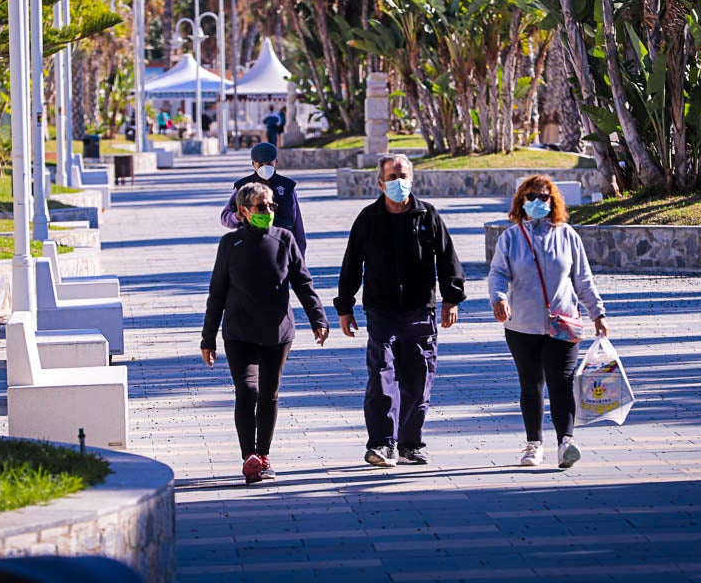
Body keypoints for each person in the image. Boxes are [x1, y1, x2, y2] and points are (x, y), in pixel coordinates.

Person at [335, 153, 466, 467]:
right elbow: (351, 264)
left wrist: (451, 299)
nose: (398, 182)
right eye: (392, 177)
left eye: (403, 175)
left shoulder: (428, 215)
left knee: (418, 380)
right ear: (380, 183)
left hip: (421, 312)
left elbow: (448, 260)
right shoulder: (368, 218)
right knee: (382, 377)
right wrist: (345, 306)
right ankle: (381, 444)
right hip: (381, 312)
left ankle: (410, 443)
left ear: (412, 179)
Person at [202, 182, 330, 484]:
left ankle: (264, 454)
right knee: (247, 391)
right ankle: (249, 457)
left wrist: (318, 319)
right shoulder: (229, 245)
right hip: (239, 332)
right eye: (262, 207)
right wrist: (208, 337)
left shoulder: (284, 239)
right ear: (243, 211)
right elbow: (217, 293)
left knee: (269, 394)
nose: (269, 212)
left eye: (272, 206)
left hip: (277, 332)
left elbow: (303, 283)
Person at [487, 175, 608, 469]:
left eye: (544, 197)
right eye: (531, 197)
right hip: (522, 326)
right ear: (521, 202)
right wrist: (499, 297)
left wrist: (598, 313)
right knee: (531, 384)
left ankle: (566, 442)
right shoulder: (511, 238)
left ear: (552, 201)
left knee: (562, 383)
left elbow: (582, 279)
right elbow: (498, 273)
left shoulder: (567, 235)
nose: (537, 203)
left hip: (563, 323)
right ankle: (533, 444)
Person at [221, 142, 307, 257]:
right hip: (250, 249)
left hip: (282, 249)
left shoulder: (287, 187)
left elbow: (298, 226)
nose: (265, 168)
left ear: (276, 162)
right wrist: (237, 216)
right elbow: (225, 218)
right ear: (253, 164)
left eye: (269, 164)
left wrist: (299, 256)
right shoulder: (242, 187)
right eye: (260, 165)